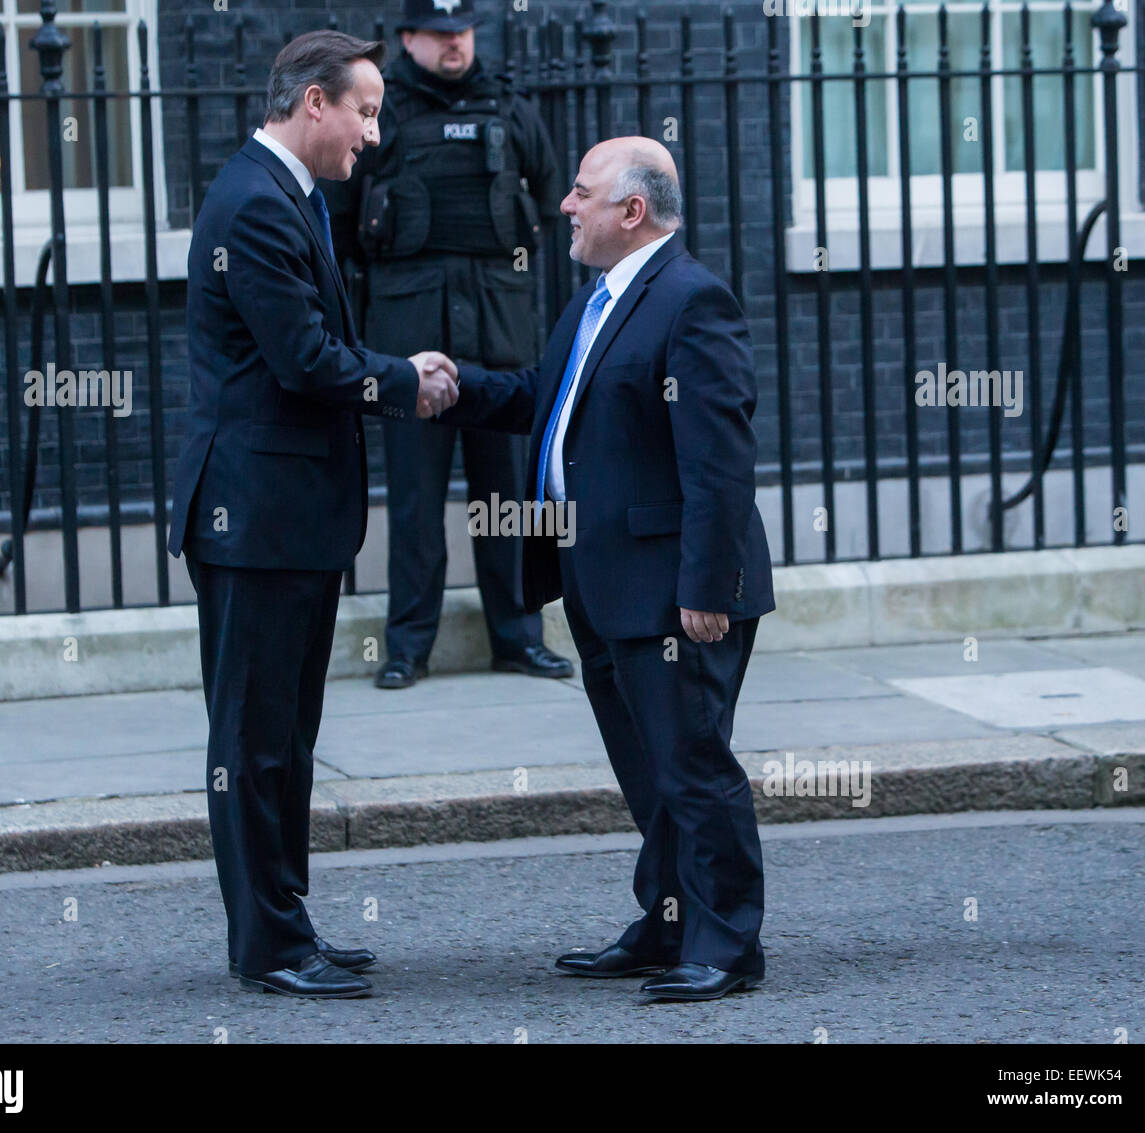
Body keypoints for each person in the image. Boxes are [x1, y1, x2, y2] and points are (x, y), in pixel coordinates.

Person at [440, 137, 777, 1001]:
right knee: (651, 772)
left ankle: (728, 943)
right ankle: (669, 923)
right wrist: (451, 386)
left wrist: (707, 590)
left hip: (674, 590)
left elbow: (719, 462)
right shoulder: (599, 301)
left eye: (581, 192)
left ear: (632, 211)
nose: (565, 205)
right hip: (600, 579)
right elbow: (541, 399)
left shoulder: (691, 300)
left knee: (694, 766)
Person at [167, 30, 459, 999]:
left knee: (285, 738)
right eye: (366, 111)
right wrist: (401, 379)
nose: (373, 134)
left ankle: (287, 923)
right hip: (251, 518)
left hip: (288, 516)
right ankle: (268, 944)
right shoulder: (255, 204)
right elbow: (302, 359)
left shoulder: (285, 196)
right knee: (251, 741)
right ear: (312, 106)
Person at [324, 0, 573, 689]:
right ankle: (407, 646)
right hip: (410, 337)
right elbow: (343, 220)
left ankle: (519, 637)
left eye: (461, 31)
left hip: (497, 334)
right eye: (439, 34)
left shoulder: (510, 107)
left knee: (505, 497)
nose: (454, 44)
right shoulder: (384, 113)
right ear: (409, 39)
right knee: (415, 499)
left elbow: (551, 203)